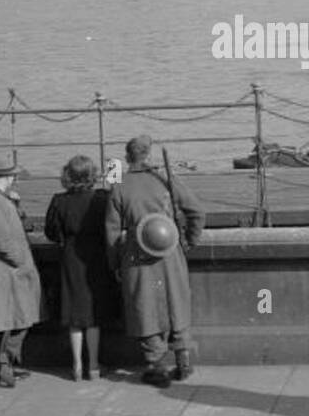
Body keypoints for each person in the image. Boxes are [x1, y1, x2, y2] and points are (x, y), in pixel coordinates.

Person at [104, 134, 204, 387]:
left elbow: (112, 233)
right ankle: (183, 358)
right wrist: (189, 242)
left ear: (128, 158)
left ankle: (156, 364)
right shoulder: (166, 180)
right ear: (149, 156)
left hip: (136, 257)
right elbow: (197, 212)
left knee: (143, 308)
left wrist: (115, 263)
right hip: (170, 254)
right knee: (176, 303)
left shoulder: (118, 185)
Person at [44, 155, 118, 381]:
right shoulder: (101, 198)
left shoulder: (59, 201)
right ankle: (94, 366)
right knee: (93, 316)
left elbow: (51, 232)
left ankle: (76, 365)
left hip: (70, 258)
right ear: (91, 175)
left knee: (74, 315)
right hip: (95, 257)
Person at [0, 156, 42, 388]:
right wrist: (21, 260)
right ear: (7, 176)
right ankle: (2, 368)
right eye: (13, 175)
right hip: (5, 271)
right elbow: (1, 240)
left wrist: (16, 205)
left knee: (13, 320)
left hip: (7, 272)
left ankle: (5, 365)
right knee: (5, 323)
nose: (15, 178)